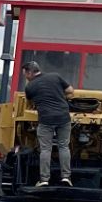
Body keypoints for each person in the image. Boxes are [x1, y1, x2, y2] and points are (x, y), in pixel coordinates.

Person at [22, 57, 74, 188]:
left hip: (46, 120)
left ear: (29, 72)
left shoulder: (30, 87)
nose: (25, 77)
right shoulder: (55, 76)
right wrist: (60, 97)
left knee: (45, 149)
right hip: (63, 117)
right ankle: (66, 177)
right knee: (64, 146)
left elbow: (30, 103)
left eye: (25, 74)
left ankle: (44, 179)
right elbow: (70, 91)